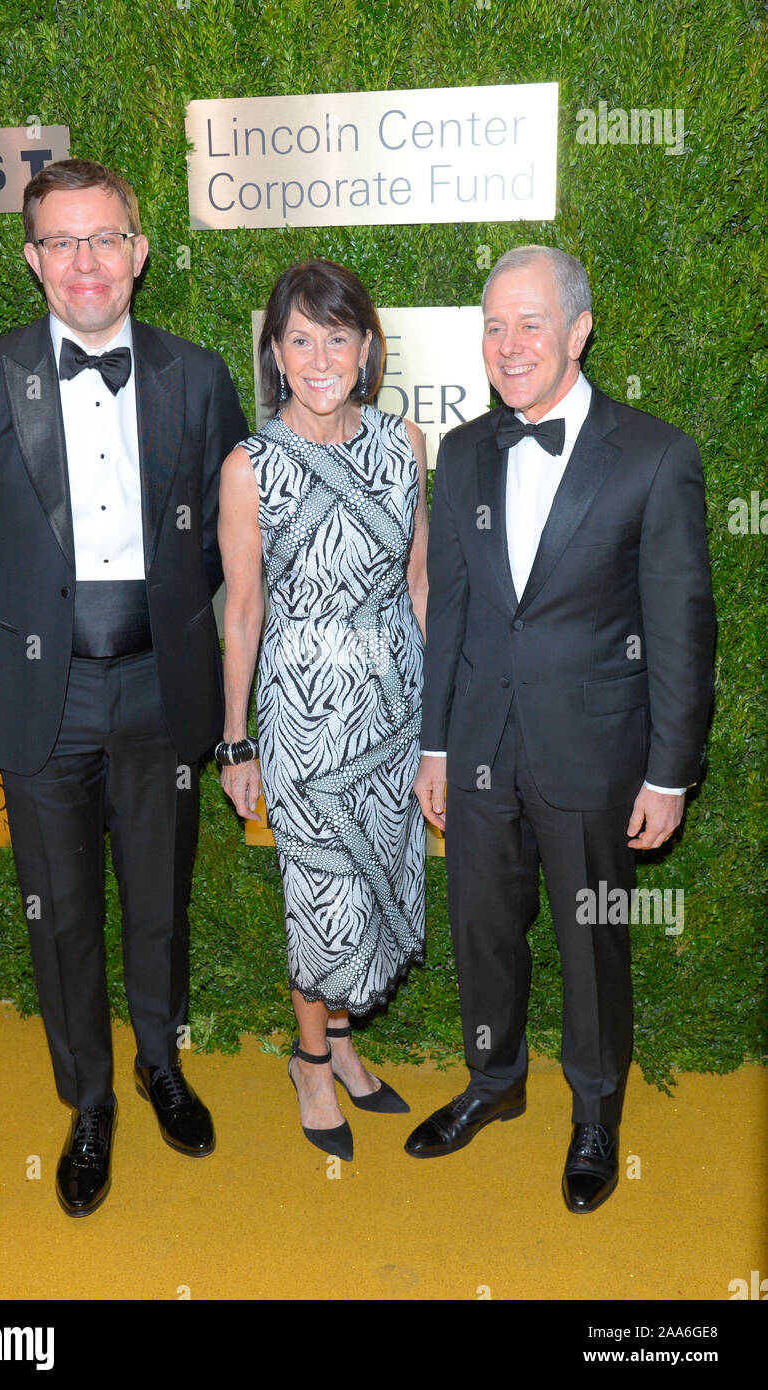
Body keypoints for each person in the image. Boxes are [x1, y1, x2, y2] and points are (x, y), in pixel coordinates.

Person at [0, 159, 248, 1215]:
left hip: (163, 685)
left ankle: (160, 1064)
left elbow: (223, 542)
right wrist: (37, 640)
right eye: (61, 242)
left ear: (140, 250)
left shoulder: (198, 378)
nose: (86, 262)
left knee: (157, 898)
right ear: (33, 259)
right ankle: (89, 1099)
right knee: (59, 913)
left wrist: (166, 639)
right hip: (42, 693)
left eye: (104, 237)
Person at [408, 246, 715, 1212]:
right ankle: (493, 1085)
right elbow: (449, 615)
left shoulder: (655, 456)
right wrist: (435, 745)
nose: (508, 345)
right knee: (483, 933)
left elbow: (680, 627)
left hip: (595, 756)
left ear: (579, 331)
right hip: (481, 749)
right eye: (493, 326)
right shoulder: (460, 455)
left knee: (591, 945)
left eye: (529, 323)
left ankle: (594, 1116)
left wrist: (669, 773)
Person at [218, 260, 428, 1160]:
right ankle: (308, 1060)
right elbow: (243, 610)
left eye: (334, 336)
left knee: (374, 886)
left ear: (366, 347)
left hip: (393, 709)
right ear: (273, 353)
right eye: (297, 338)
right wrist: (236, 743)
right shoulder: (248, 466)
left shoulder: (405, 444)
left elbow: (419, 583)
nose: (317, 356)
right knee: (320, 895)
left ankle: (342, 1042)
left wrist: (437, 733)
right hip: (303, 712)